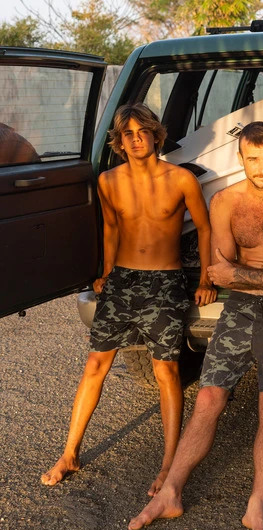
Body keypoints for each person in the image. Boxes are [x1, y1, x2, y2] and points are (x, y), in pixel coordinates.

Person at [128, 121, 263, 530]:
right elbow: (221, 272)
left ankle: (257, 505)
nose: (262, 167)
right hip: (240, 308)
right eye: (253, 159)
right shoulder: (226, 201)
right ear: (241, 159)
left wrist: (252, 275)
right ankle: (170, 493)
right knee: (209, 398)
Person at [41, 103, 217, 496]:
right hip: (121, 281)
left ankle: (169, 464)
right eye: (128, 134)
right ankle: (69, 453)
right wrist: (105, 272)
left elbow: (205, 228)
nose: (136, 140)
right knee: (95, 365)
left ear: (156, 135)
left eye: (143, 132)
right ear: (119, 142)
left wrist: (206, 277)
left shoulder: (181, 179)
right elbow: (111, 228)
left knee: (165, 371)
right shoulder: (108, 181)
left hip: (164, 283)